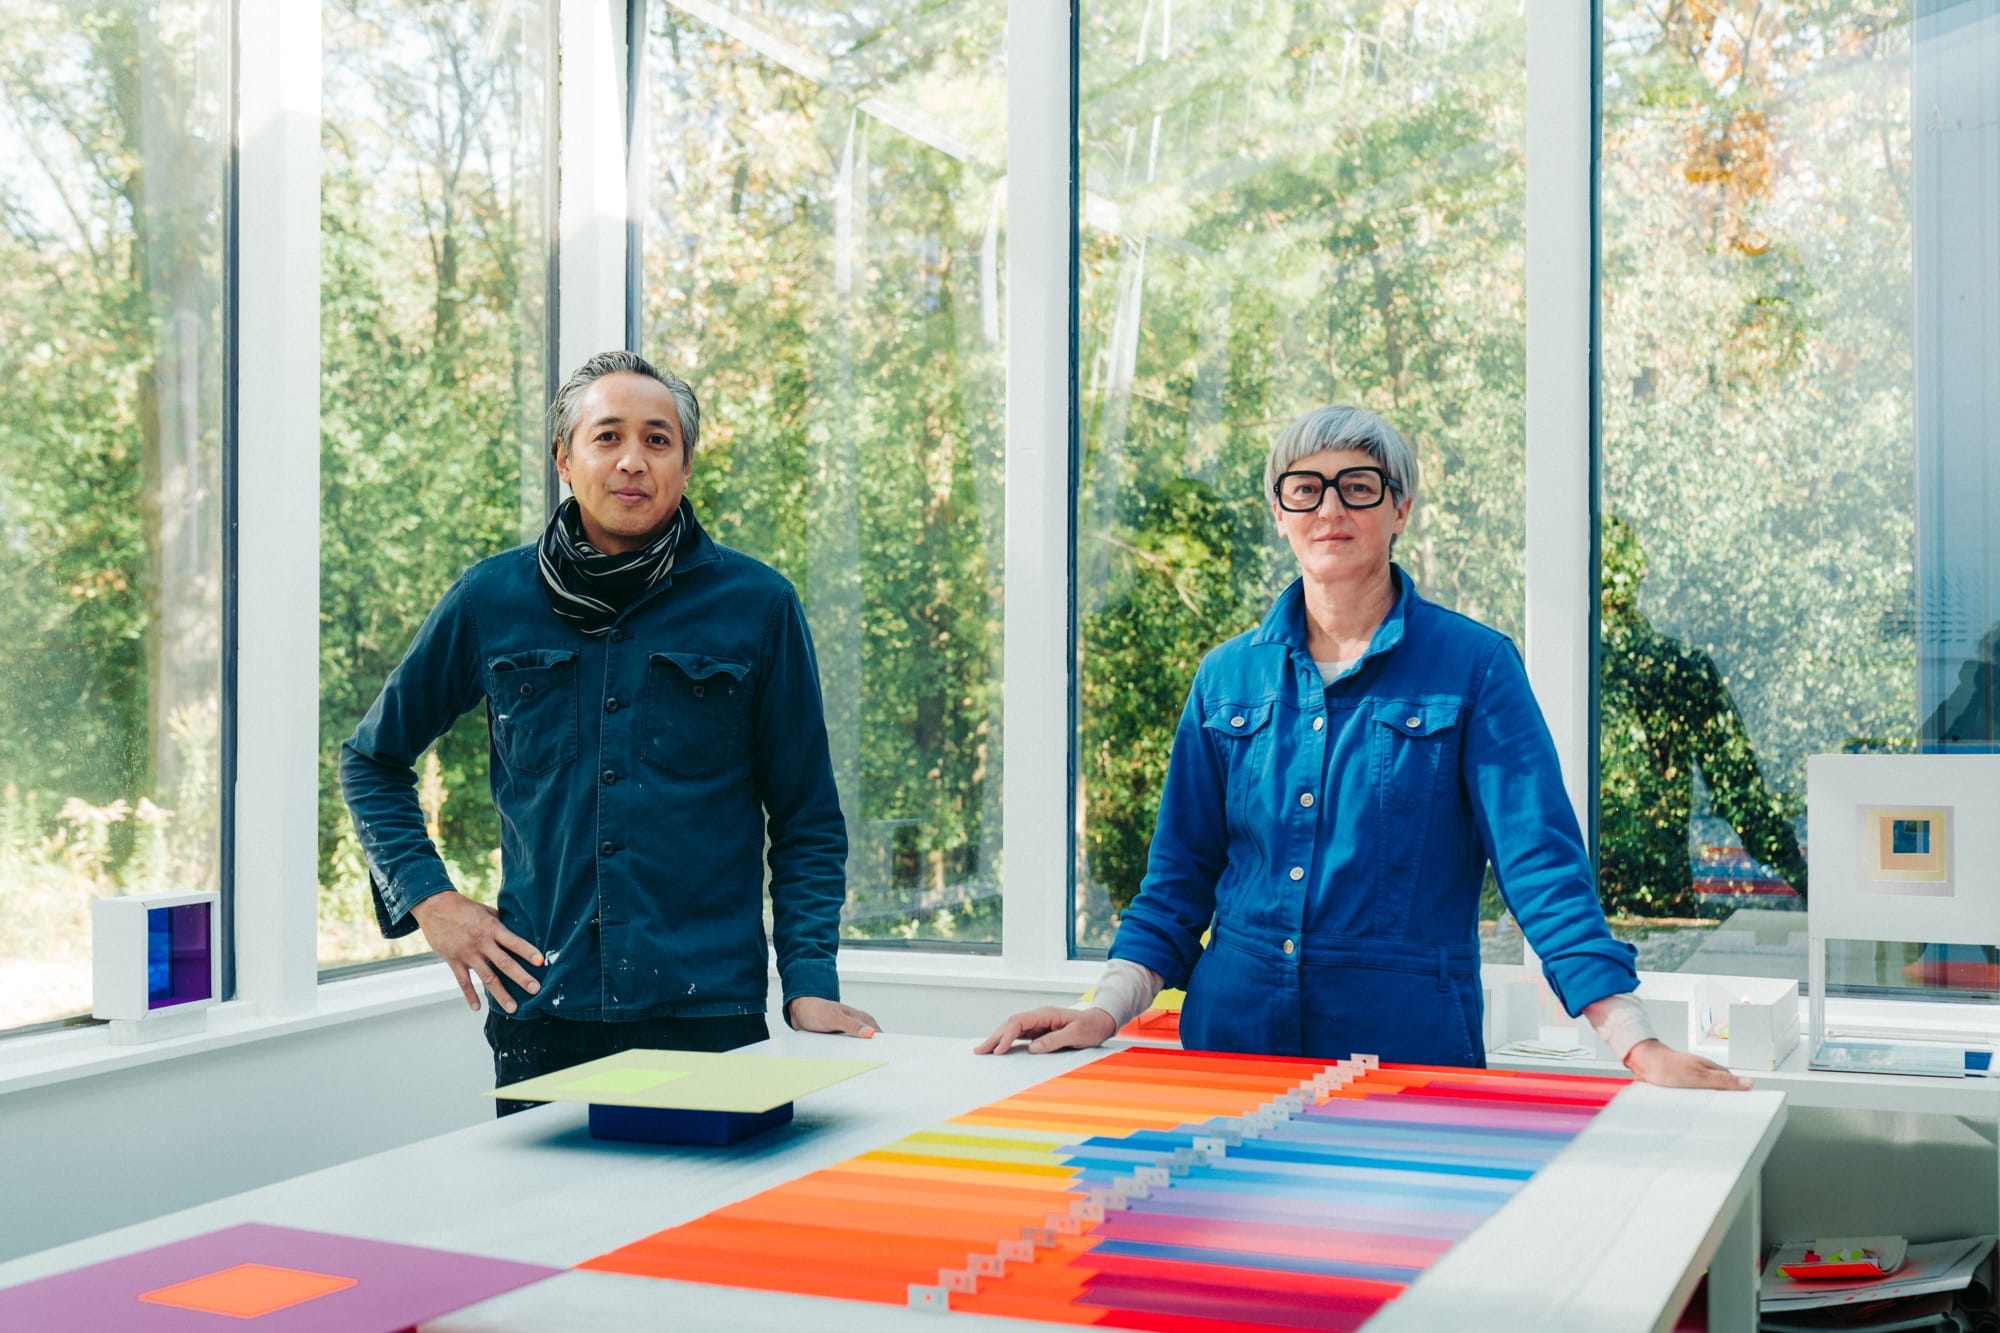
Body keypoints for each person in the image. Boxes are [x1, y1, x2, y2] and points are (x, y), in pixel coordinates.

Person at [979, 405, 1744, 1090]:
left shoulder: (1476, 668)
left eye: (1358, 487)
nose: (1330, 508)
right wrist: (1102, 1009)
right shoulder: (1226, 677)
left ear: (1400, 507)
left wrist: (1638, 1044)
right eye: (1304, 489)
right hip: (1229, 1053)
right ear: (1278, 512)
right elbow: (1177, 882)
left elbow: (1543, 872)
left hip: (1406, 1062)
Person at [342, 350, 878, 1115]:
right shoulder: (489, 600)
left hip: (709, 1020)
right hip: (542, 1014)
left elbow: (807, 819)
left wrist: (809, 984)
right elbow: (371, 759)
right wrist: (430, 900)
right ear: (565, 458)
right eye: (607, 436)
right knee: (545, 1203)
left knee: (716, 1201)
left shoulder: (758, 606)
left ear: (685, 464)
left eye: (658, 439)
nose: (633, 460)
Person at [1599, 514, 1807, 913]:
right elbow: (1742, 797)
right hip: (1656, 907)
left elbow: (1741, 798)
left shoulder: (1562, 676)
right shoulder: (1680, 668)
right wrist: (1807, 880)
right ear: (1640, 574)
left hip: (1582, 910)